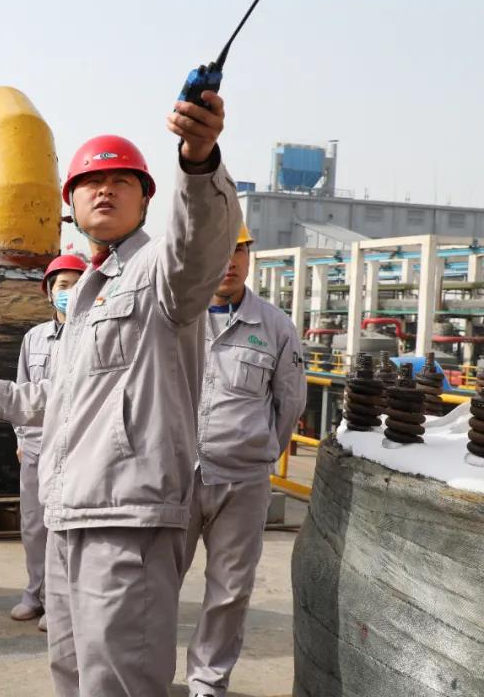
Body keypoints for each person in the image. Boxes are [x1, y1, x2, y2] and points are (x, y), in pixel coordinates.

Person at [0, 91, 241, 695]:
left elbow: (201, 244)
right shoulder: (87, 292)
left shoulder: (161, 270)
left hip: (127, 515)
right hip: (68, 513)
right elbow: (67, 400)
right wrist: (1, 397)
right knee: (71, 673)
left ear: (147, 197)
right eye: (90, 182)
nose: (105, 190)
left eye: (121, 181)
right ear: (70, 202)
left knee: (120, 679)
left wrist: (198, 160)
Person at [184, 224, 306, 697]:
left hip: (242, 482)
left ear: (250, 257)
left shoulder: (275, 327)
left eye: (239, 250)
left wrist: (256, 450)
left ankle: (207, 681)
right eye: (221, 249)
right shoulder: (178, 317)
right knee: (154, 581)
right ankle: (144, 675)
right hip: (176, 476)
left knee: (230, 589)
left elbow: (289, 404)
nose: (230, 261)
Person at [10, 254, 86, 631]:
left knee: (68, 529)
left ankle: (62, 603)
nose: (69, 292)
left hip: (78, 450)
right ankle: (34, 594)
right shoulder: (34, 338)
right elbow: (22, 392)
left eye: (77, 284)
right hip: (37, 449)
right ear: (49, 292)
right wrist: (21, 438)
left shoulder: (93, 335)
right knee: (34, 525)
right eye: (63, 285)